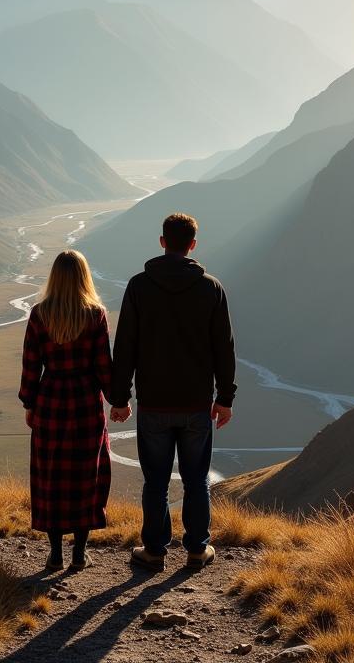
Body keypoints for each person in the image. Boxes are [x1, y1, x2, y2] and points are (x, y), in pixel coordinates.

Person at [109, 212, 236, 571]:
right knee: (197, 481)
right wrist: (224, 398)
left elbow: (126, 347)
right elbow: (223, 348)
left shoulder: (139, 286)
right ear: (193, 245)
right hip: (196, 404)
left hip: (154, 404)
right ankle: (197, 549)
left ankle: (154, 551)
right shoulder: (211, 288)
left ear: (162, 242)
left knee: (156, 483)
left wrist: (120, 398)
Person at [19, 249, 114, 572]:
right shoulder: (95, 315)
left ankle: (55, 552)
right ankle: (80, 552)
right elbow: (104, 367)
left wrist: (29, 403)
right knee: (85, 475)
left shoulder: (39, 314)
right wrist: (118, 399)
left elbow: (31, 365)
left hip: (50, 401)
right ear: (84, 276)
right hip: (86, 403)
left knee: (52, 476)